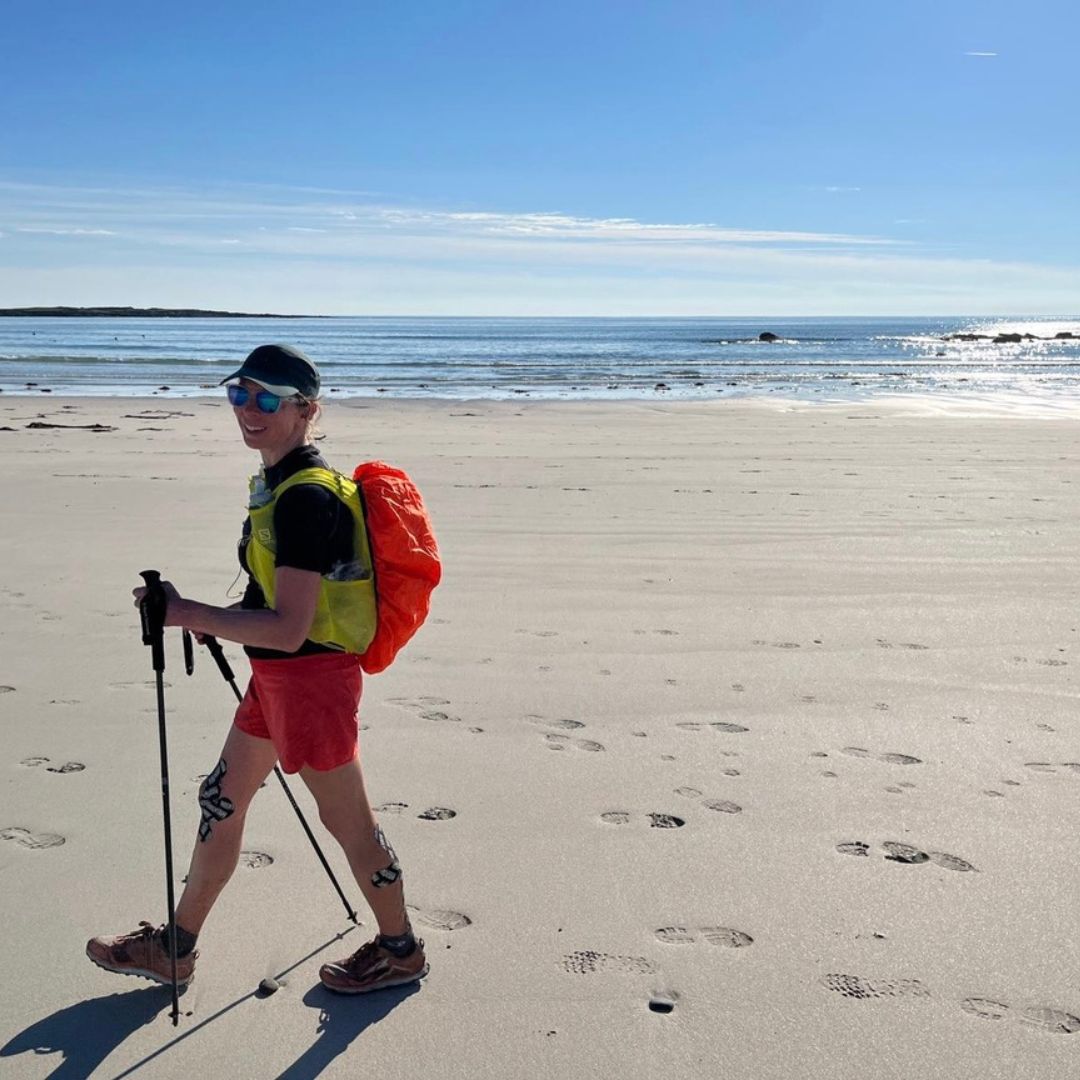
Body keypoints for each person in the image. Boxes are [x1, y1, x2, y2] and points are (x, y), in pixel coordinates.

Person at [86, 344, 427, 995]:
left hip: (313, 683)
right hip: (277, 681)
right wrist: (213, 616)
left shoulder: (306, 498)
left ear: (306, 410)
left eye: (267, 398)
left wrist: (188, 613)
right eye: (239, 393)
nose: (248, 408)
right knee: (221, 798)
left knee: (348, 824)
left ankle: (401, 950)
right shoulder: (277, 481)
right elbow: (269, 595)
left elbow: (289, 626)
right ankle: (176, 949)